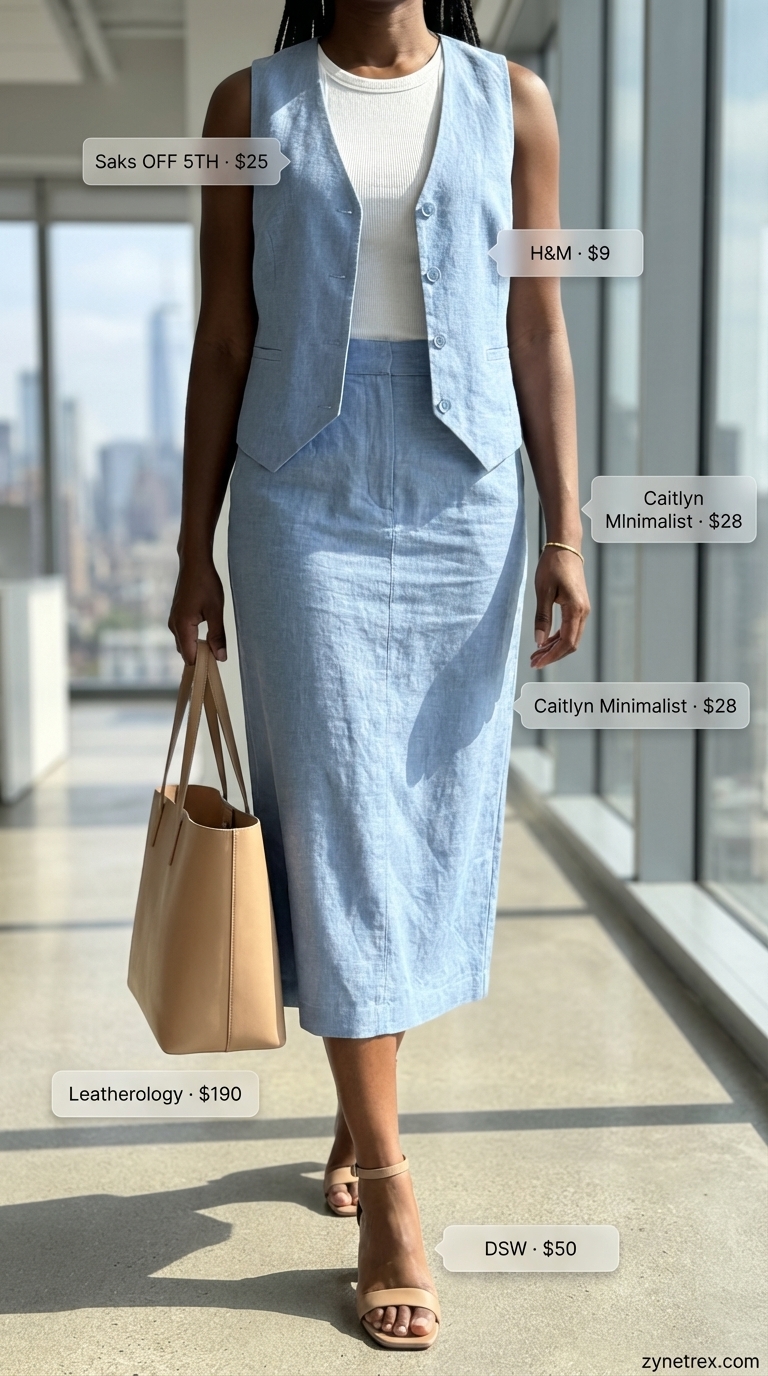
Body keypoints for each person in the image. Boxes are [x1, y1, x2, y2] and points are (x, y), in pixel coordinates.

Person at [169, 0, 589, 1350]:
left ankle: (362, 1115)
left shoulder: (514, 100)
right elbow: (224, 333)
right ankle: (392, 1190)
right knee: (341, 813)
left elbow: (539, 325)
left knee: (418, 817)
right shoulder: (248, 105)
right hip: (300, 495)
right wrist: (194, 547)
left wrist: (570, 531)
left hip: (468, 494)